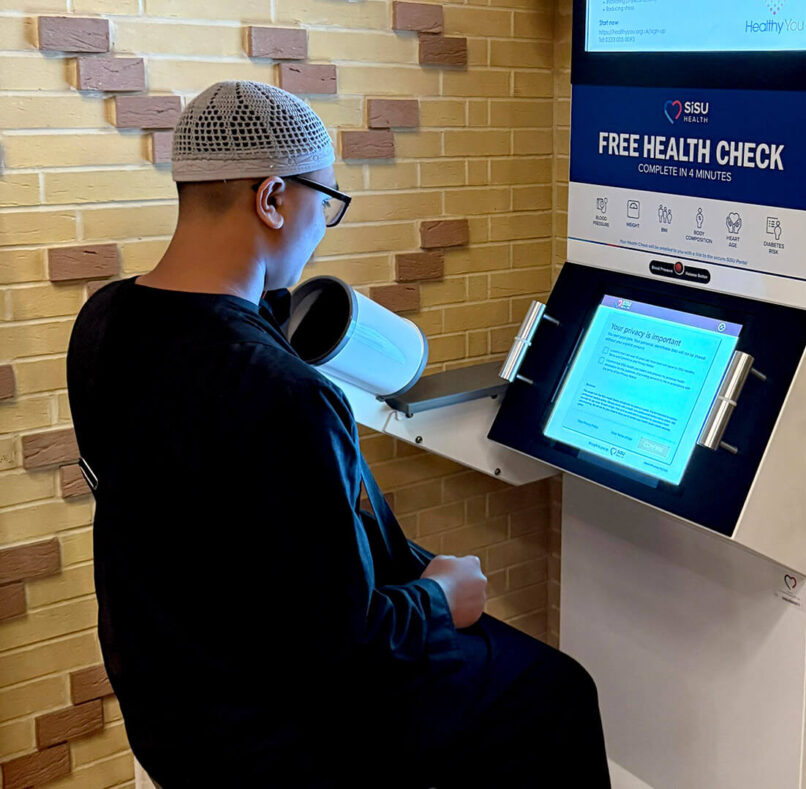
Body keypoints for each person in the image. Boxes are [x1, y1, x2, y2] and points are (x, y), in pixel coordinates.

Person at [66, 81, 610, 788]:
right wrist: (440, 598)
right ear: (271, 199)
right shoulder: (285, 393)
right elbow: (344, 648)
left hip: (169, 709)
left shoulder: (102, 323)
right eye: (325, 202)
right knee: (557, 691)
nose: (324, 224)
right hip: (276, 737)